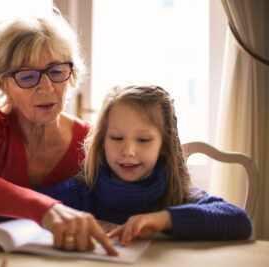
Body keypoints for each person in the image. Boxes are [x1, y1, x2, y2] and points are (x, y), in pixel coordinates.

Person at [0, 12, 116, 255]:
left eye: (56, 71)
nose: (47, 88)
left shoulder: (89, 142)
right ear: (3, 84)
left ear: (70, 74)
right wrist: (45, 209)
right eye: (27, 76)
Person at [37, 84, 252, 247]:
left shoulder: (177, 195)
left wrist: (165, 219)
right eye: (117, 138)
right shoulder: (82, 192)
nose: (128, 151)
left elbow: (239, 221)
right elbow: (19, 210)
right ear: (102, 141)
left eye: (143, 140)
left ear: (164, 146)